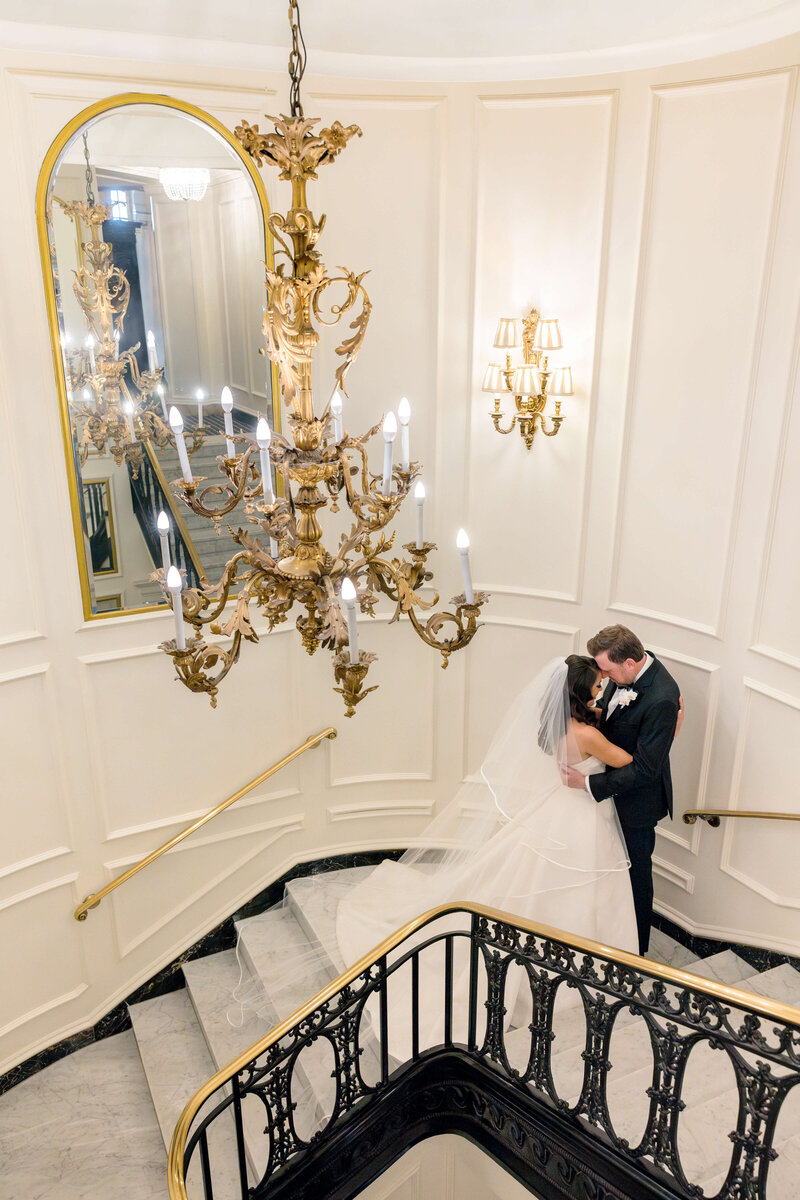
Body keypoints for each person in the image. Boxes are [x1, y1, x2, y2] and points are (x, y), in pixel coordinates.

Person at [334, 655, 645, 1054]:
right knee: (582, 889)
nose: (600, 690)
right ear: (582, 692)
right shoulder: (587, 735)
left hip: (558, 808)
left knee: (543, 887)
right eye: (596, 685)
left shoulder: (555, 726)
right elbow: (628, 763)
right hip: (580, 816)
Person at [561, 625, 681, 957]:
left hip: (636, 806)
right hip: (607, 801)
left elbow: (645, 768)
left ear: (629, 663)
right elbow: (615, 721)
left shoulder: (662, 698)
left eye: (608, 672)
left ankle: (637, 952)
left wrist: (585, 783)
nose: (604, 677)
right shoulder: (623, 677)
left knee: (635, 881)